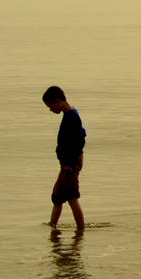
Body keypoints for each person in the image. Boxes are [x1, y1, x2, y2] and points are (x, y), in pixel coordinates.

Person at [42, 85, 86, 230]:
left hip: (70, 165)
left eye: (50, 106)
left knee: (72, 196)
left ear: (58, 101)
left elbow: (79, 141)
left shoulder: (72, 117)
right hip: (65, 164)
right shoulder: (69, 115)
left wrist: (69, 164)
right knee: (57, 197)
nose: (50, 110)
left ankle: (81, 230)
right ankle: (53, 226)